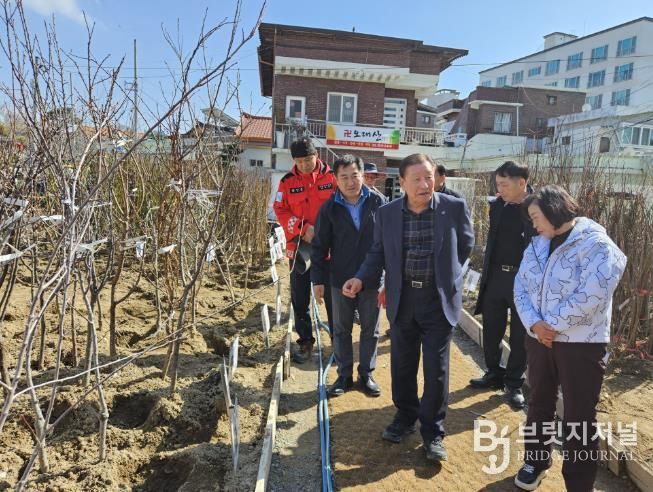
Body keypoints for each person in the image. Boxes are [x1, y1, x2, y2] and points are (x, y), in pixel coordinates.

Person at [342, 153, 474, 462]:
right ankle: (404, 417)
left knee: (436, 370)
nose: (425, 184)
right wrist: (360, 278)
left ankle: (433, 432)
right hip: (403, 300)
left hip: (438, 301)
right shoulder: (386, 214)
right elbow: (377, 253)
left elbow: (465, 244)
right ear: (401, 182)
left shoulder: (453, 208)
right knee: (402, 364)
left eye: (429, 177)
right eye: (416, 179)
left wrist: (448, 275)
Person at [513, 185, 626, 491]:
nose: (534, 224)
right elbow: (520, 286)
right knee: (538, 401)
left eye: (536, 216)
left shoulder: (597, 244)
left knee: (579, 414)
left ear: (553, 210)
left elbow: (594, 294)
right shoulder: (537, 245)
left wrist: (550, 325)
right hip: (539, 340)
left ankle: (579, 483)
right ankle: (535, 461)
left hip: (581, 344)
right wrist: (535, 325)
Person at [311, 154, 387, 397]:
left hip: (372, 278)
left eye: (354, 175)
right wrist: (318, 280)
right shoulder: (329, 208)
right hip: (340, 279)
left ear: (362, 175)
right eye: (343, 177)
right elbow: (319, 247)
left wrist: (388, 278)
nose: (350, 182)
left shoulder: (378, 202)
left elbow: (388, 242)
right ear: (335, 179)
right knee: (341, 329)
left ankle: (366, 374)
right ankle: (344, 375)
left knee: (370, 329)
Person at [469, 161, 534, 410]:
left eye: (504, 185)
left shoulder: (538, 207)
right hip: (496, 276)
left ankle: (514, 383)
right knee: (491, 328)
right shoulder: (497, 206)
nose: (500, 189)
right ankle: (493, 372)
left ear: (522, 183)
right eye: (497, 184)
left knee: (519, 335)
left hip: (523, 281)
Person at [273, 137, 336, 363]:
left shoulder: (333, 177)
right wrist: (303, 228)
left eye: (308, 160)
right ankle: (305, 342)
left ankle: (338, 343)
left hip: (329, 250)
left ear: (316, 156)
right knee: (300, 299)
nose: (304, 165)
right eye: (299, 161)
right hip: (299, 249)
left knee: (333, 298)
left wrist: (326, 231)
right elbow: (280, 209)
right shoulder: (287, 182)